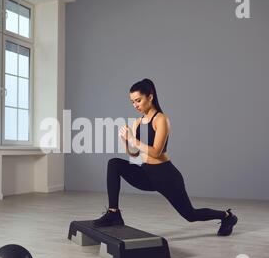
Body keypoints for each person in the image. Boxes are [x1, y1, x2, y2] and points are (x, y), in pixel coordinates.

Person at [92, 78, 238, 236]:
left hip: (166, 176)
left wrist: (133, 140)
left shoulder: (161, 120)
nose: (135, 105)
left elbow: (156, 152)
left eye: (138, 100)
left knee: (190, 215)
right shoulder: (138, 122)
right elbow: (135, 154)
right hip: (146, 174)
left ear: (150, 96)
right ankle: (114, 213)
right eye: (132, 102)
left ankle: (227, 216)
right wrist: (126, 142)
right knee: (114, 163)